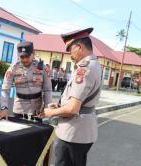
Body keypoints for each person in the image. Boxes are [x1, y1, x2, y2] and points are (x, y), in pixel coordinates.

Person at [38, 27, 102, 166]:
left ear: (79, 47)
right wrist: (61, 106)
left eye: (69, 49)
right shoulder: (94, 64)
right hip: (82, 130)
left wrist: (50, 112)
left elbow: (73, 109)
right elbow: (81, 100)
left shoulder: (85, 69)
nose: (69, 54)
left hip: (73, 132)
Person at [0, 41, 52, 120]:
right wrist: (4, 108)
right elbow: (5, 90)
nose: (25, 59)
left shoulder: (42, 68)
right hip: (19, 110)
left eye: (27, 56)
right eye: (22, 57)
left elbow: (47, 90)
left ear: (33, 53)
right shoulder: (13, 69)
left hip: (37, 111)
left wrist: (47, 108)